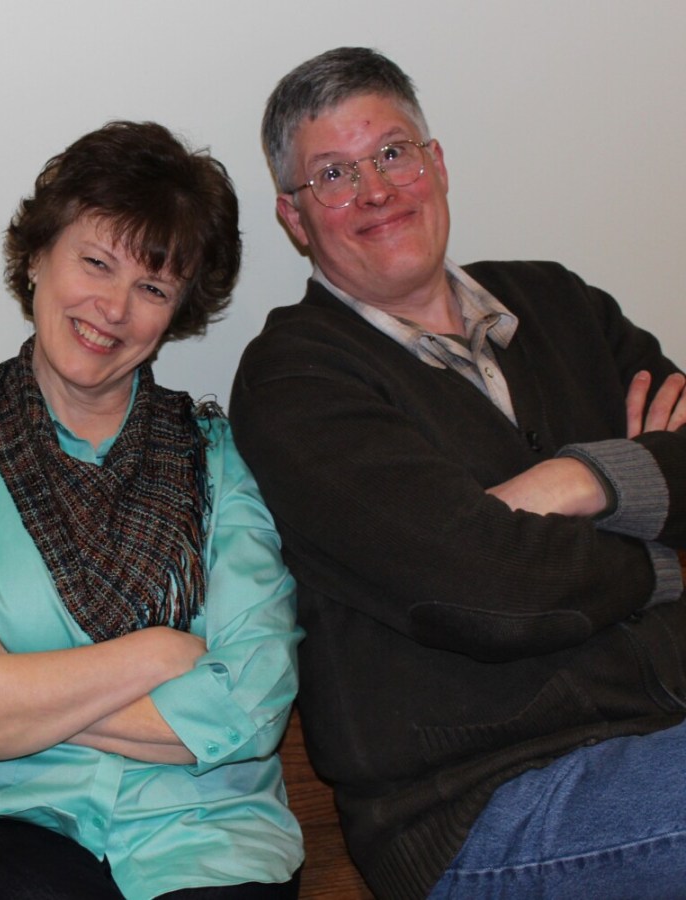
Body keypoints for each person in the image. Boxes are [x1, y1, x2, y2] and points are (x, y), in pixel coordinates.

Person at [230, 46, 686, 900]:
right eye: (333, 175)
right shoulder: (295, 381)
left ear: (436, 164)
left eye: (392, 153)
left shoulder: (561, 305)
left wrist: (579, 479)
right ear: (295, 218)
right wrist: (660, 555)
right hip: (486, 807)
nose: (375, 190)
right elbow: (490, 595)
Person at [0, 121, 304, 900]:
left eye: (152, 288)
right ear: (36, 257)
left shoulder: (216, 459)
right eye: (96, 263)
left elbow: (253, 704)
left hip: (210, 840)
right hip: (2, 832)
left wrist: (9, 678)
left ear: (176, 312)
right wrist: (157, 654)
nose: (113, 308)